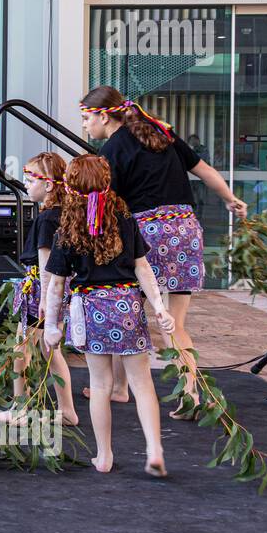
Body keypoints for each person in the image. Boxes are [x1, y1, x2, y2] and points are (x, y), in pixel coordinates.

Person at [81, 86, 247, 417]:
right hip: (184, 232)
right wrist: (230, 198)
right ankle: (178, 395)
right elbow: (205, 170)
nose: (85, 126)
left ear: (103, 116)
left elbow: (103, 207)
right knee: (175, 322)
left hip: (147, 237)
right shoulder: (161, 133)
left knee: (127, 313)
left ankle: (130, 389)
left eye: (86, 118)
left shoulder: (112, 151)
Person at [43, 155, 174, 477]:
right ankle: (154, 449)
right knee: (142, 384)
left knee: (100, 386)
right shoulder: (123, 217)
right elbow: (143, 267)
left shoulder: (67, 226)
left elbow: (57, 283)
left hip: (90, 309)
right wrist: (159, 307)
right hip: (127, 304)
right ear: (106, 182)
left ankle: (104, 456)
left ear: (71, 186)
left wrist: (50, 326)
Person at [0, 152, 77, 426]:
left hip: (42, 290)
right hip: (51, 291)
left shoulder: (47, 218)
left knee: (22, 350)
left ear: (49, 185)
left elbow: (46, 264)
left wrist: (44, 301)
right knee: (49, 352)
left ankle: (21, 409)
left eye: (30, 180)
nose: (26, 184)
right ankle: (66, 410)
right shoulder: (61, 213)